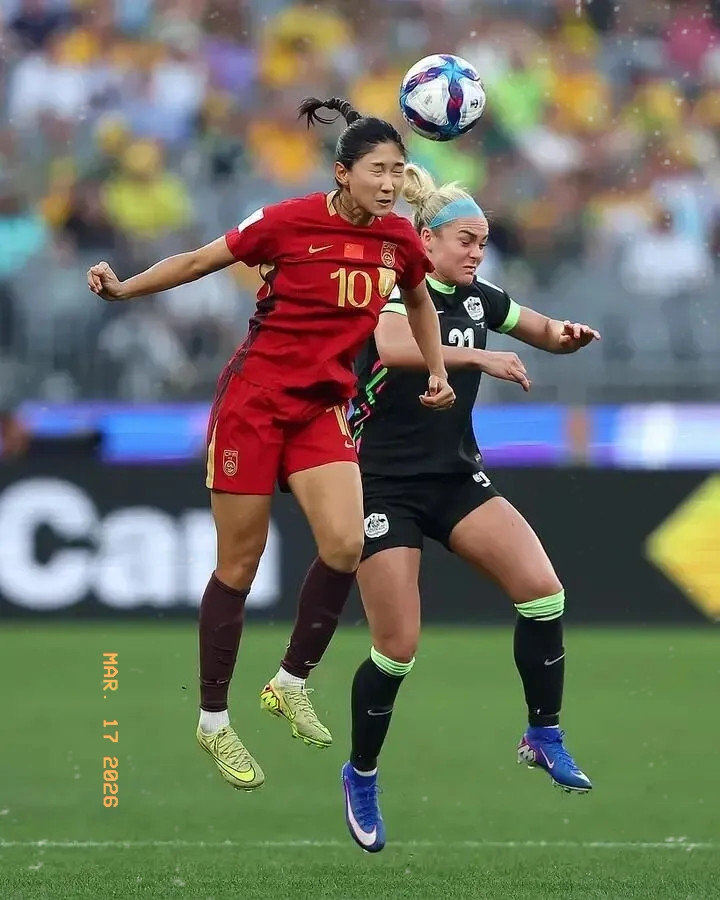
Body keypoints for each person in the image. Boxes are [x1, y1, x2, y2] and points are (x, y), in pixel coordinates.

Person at [87, 100, 455, 793]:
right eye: (376, 170)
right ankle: (213, 720)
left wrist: (436, 370)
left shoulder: (400, 240)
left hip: (320, 409)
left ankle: (289, 682)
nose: (388, 183)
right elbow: (201, 259)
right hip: (253, 407)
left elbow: (420, 303)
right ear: (343, 173)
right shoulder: (286, 221)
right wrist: (126, 290)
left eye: (397, 171)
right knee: (240, 563)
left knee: (345, 545)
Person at [264, 164, 600, 851]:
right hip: (381, 486)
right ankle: (361, 774)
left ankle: (542, 734)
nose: (477, 253)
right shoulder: (394, 288)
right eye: (466, 242)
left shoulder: (480, 299)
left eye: (483, 243)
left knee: (543, 594)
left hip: (454, 478)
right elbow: (392, 346)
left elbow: (537, 327)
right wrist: (481, 361)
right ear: (427, 241)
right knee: (398, 648)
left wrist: (565, 334)